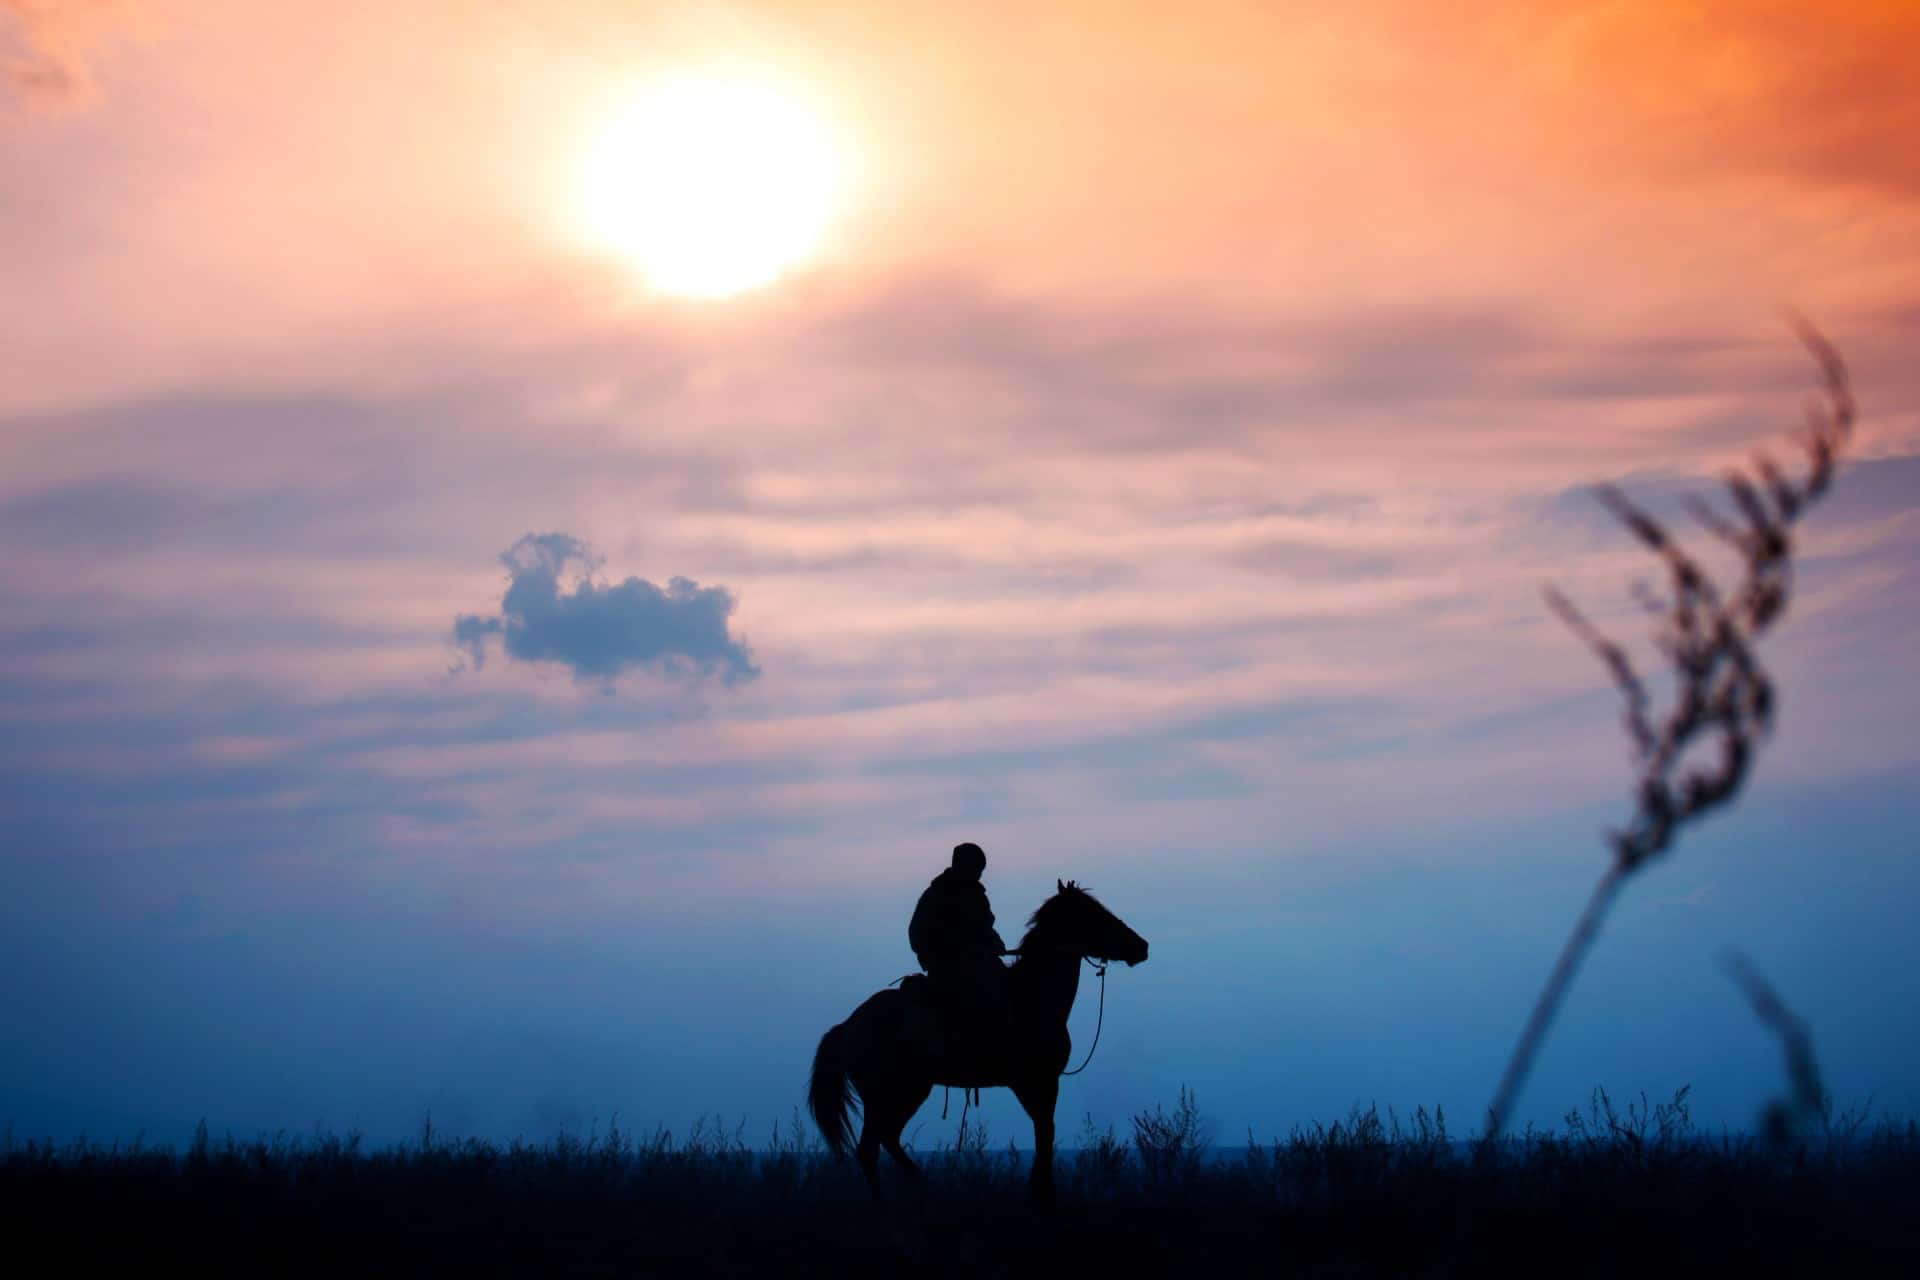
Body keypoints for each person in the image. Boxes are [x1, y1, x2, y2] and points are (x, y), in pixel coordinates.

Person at [908, 842, 1008, 1046]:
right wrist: (948, 954)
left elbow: (986, 927)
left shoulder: (977, 896)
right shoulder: (937, 895)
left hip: (980, 963)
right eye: (976, 869)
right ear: (961, 866)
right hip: (949, 969)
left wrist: (996, 943)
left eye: (980, 871)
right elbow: (918, 933)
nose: (979, 875)